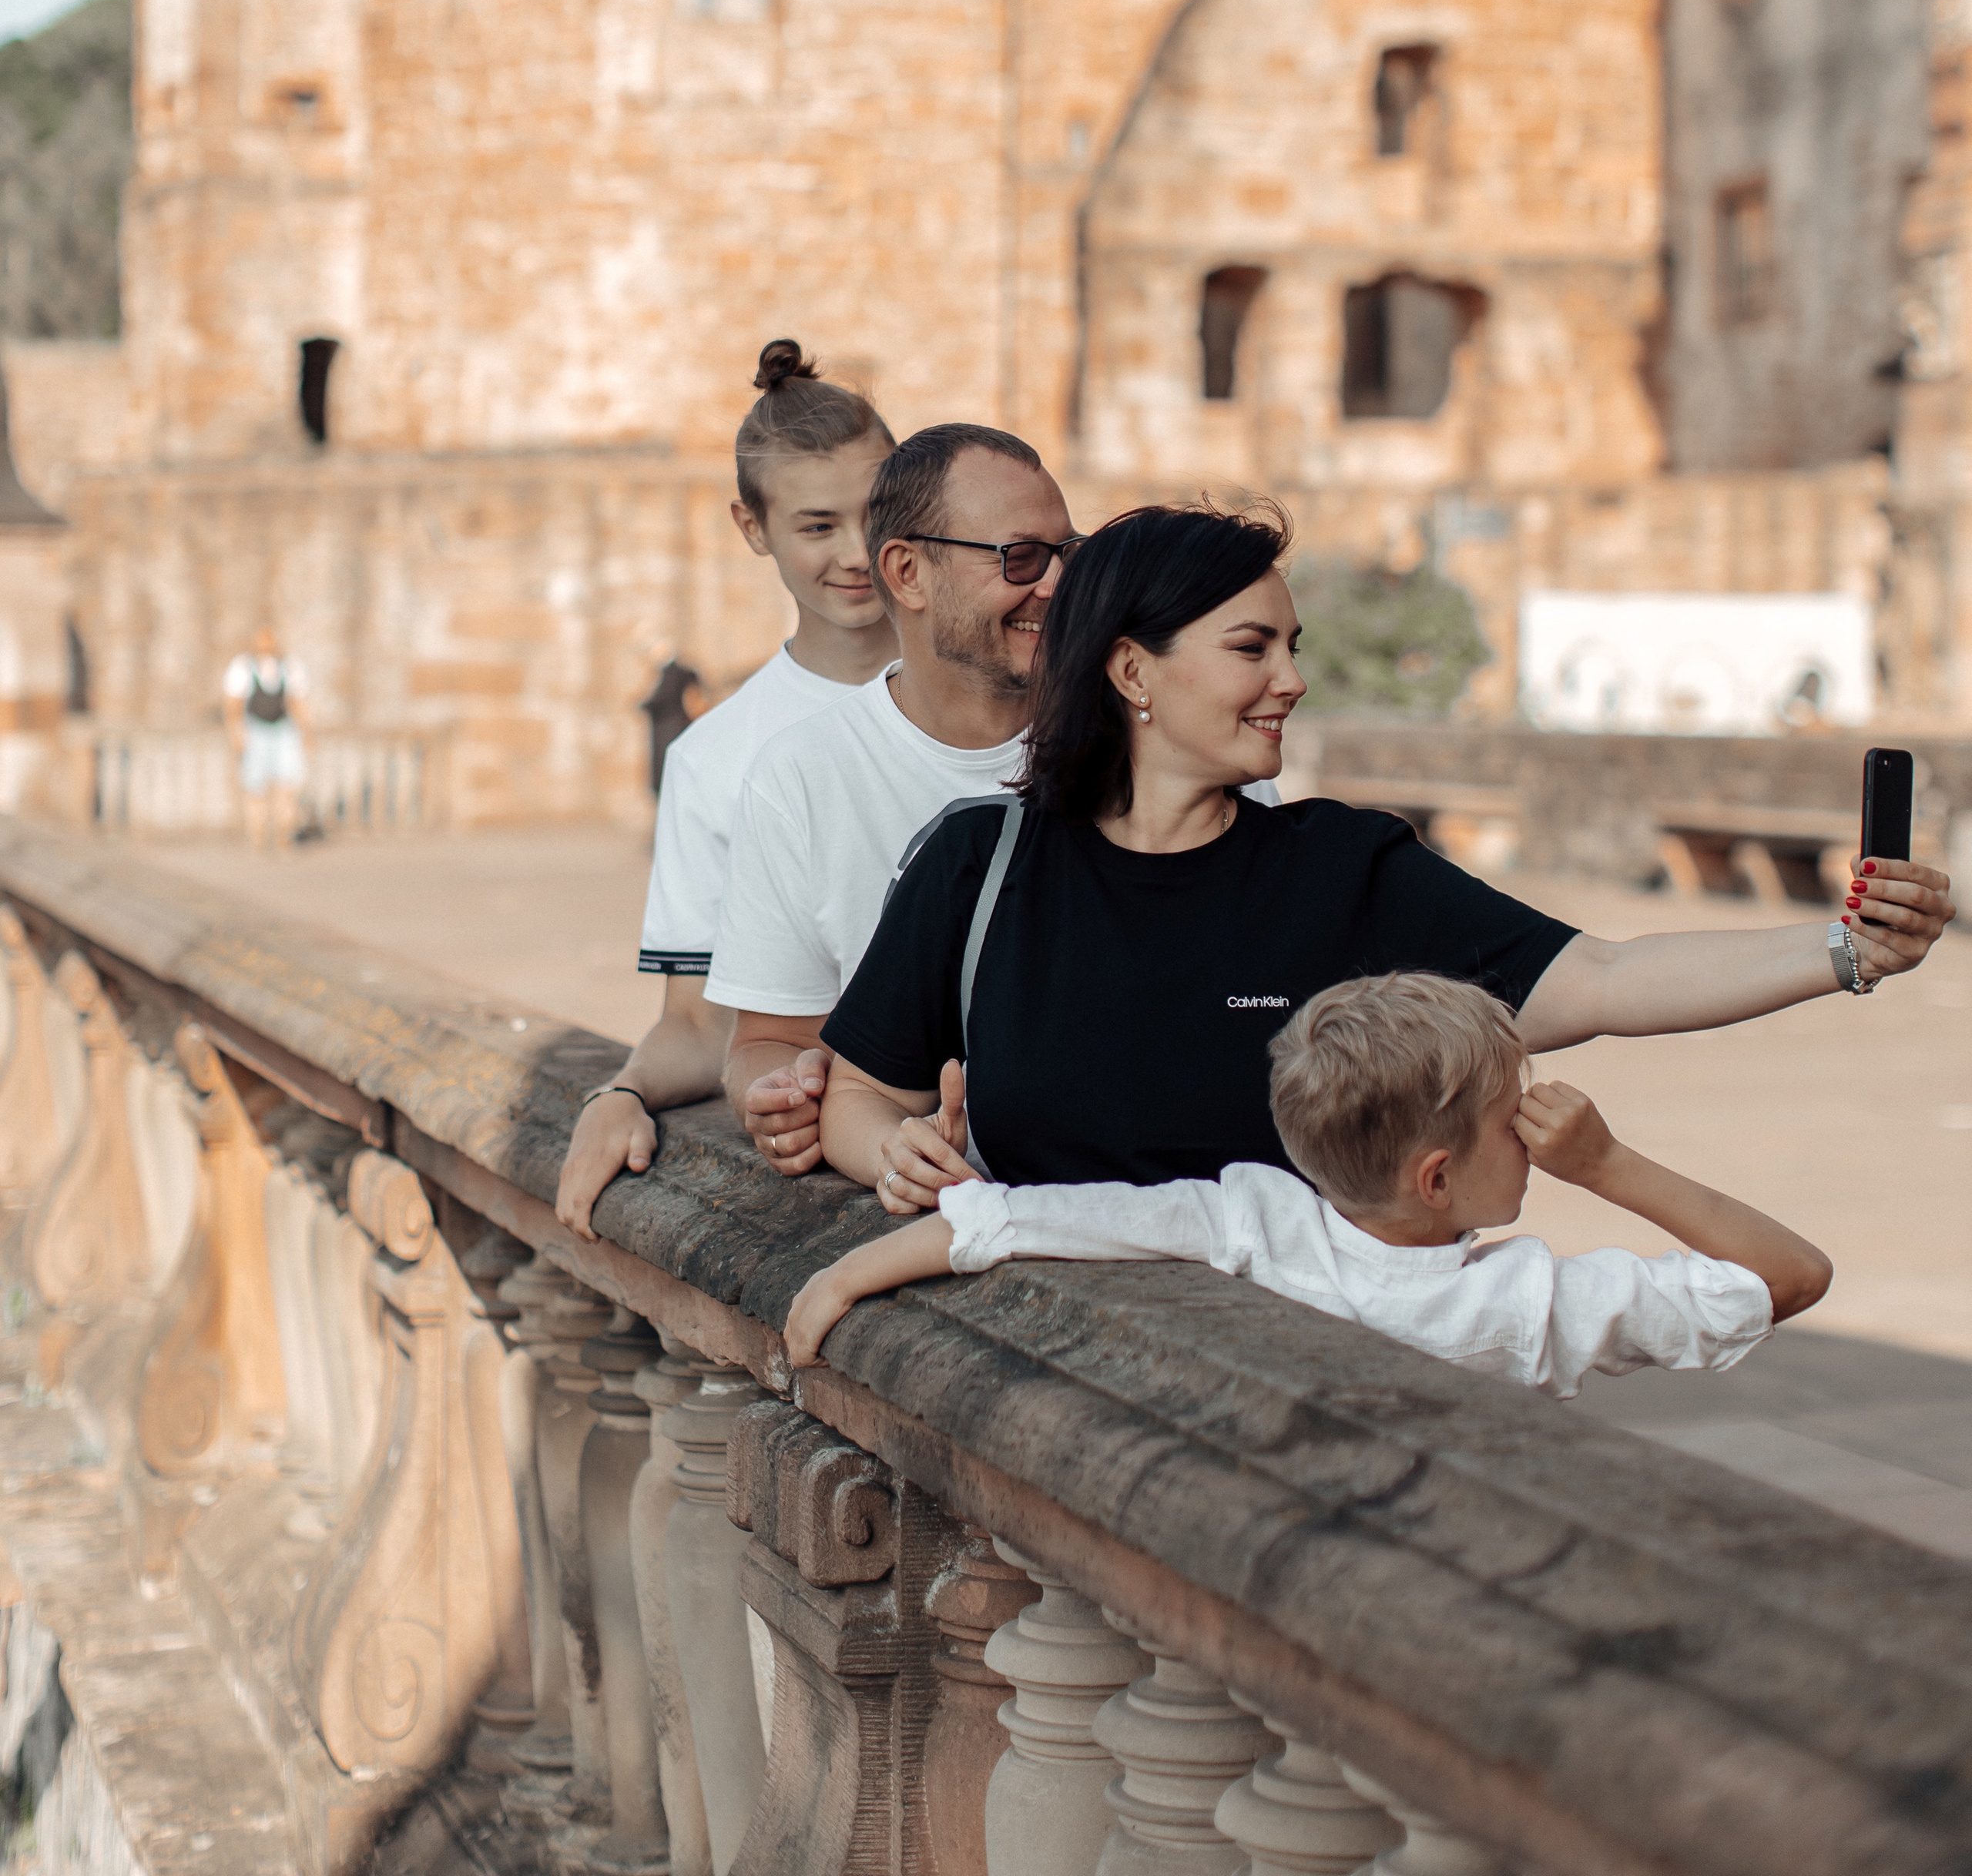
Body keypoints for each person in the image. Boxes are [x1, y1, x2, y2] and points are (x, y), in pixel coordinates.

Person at [814, 503, 1954, 1214]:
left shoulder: (1340, 867)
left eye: (1292, 647)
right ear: (1132, 673)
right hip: (1031, 1372)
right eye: (1250, 647)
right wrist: (893, 1156)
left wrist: (1843, 951)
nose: (1291, 679)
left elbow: (1600, 978)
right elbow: (860, 1095)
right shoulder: (983, 867)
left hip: (1286, 1384)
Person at [784, 970, 1833, 1395]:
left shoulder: (1252, 1221)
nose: (1533, 1131)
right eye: (1510, 1120)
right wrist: (1607, 1164)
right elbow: (1793, 1275)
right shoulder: (1524, 1308)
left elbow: (1018, 1222)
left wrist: (838, 1282)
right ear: (1436, 1177)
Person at [555, 343, 895, 1238]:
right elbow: (701, 1021)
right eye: (818, 526)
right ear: (754, 528)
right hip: (855, 1162)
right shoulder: (714, 759)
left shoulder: (1003, 692)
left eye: (876, 514)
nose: (857, 554)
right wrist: (622, 1090)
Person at [708, 420, 1081, 1178]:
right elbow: (768, 1037)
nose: (1055, 584)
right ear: (907, 573)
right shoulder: (802, 774)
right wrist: (780, 1095)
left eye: (1071, 554)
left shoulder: (1159, 743)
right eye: (1021, 557)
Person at [223, 626, 310, 852]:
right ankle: (258, 837)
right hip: (255, 729)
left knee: (287, 785)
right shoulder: (243, 667)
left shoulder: (289, 667)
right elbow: (234, 704)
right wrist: (236, 733)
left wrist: (306, 733)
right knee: (255, 787)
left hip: (283, 729)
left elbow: (298, 702)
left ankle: (284, 835)